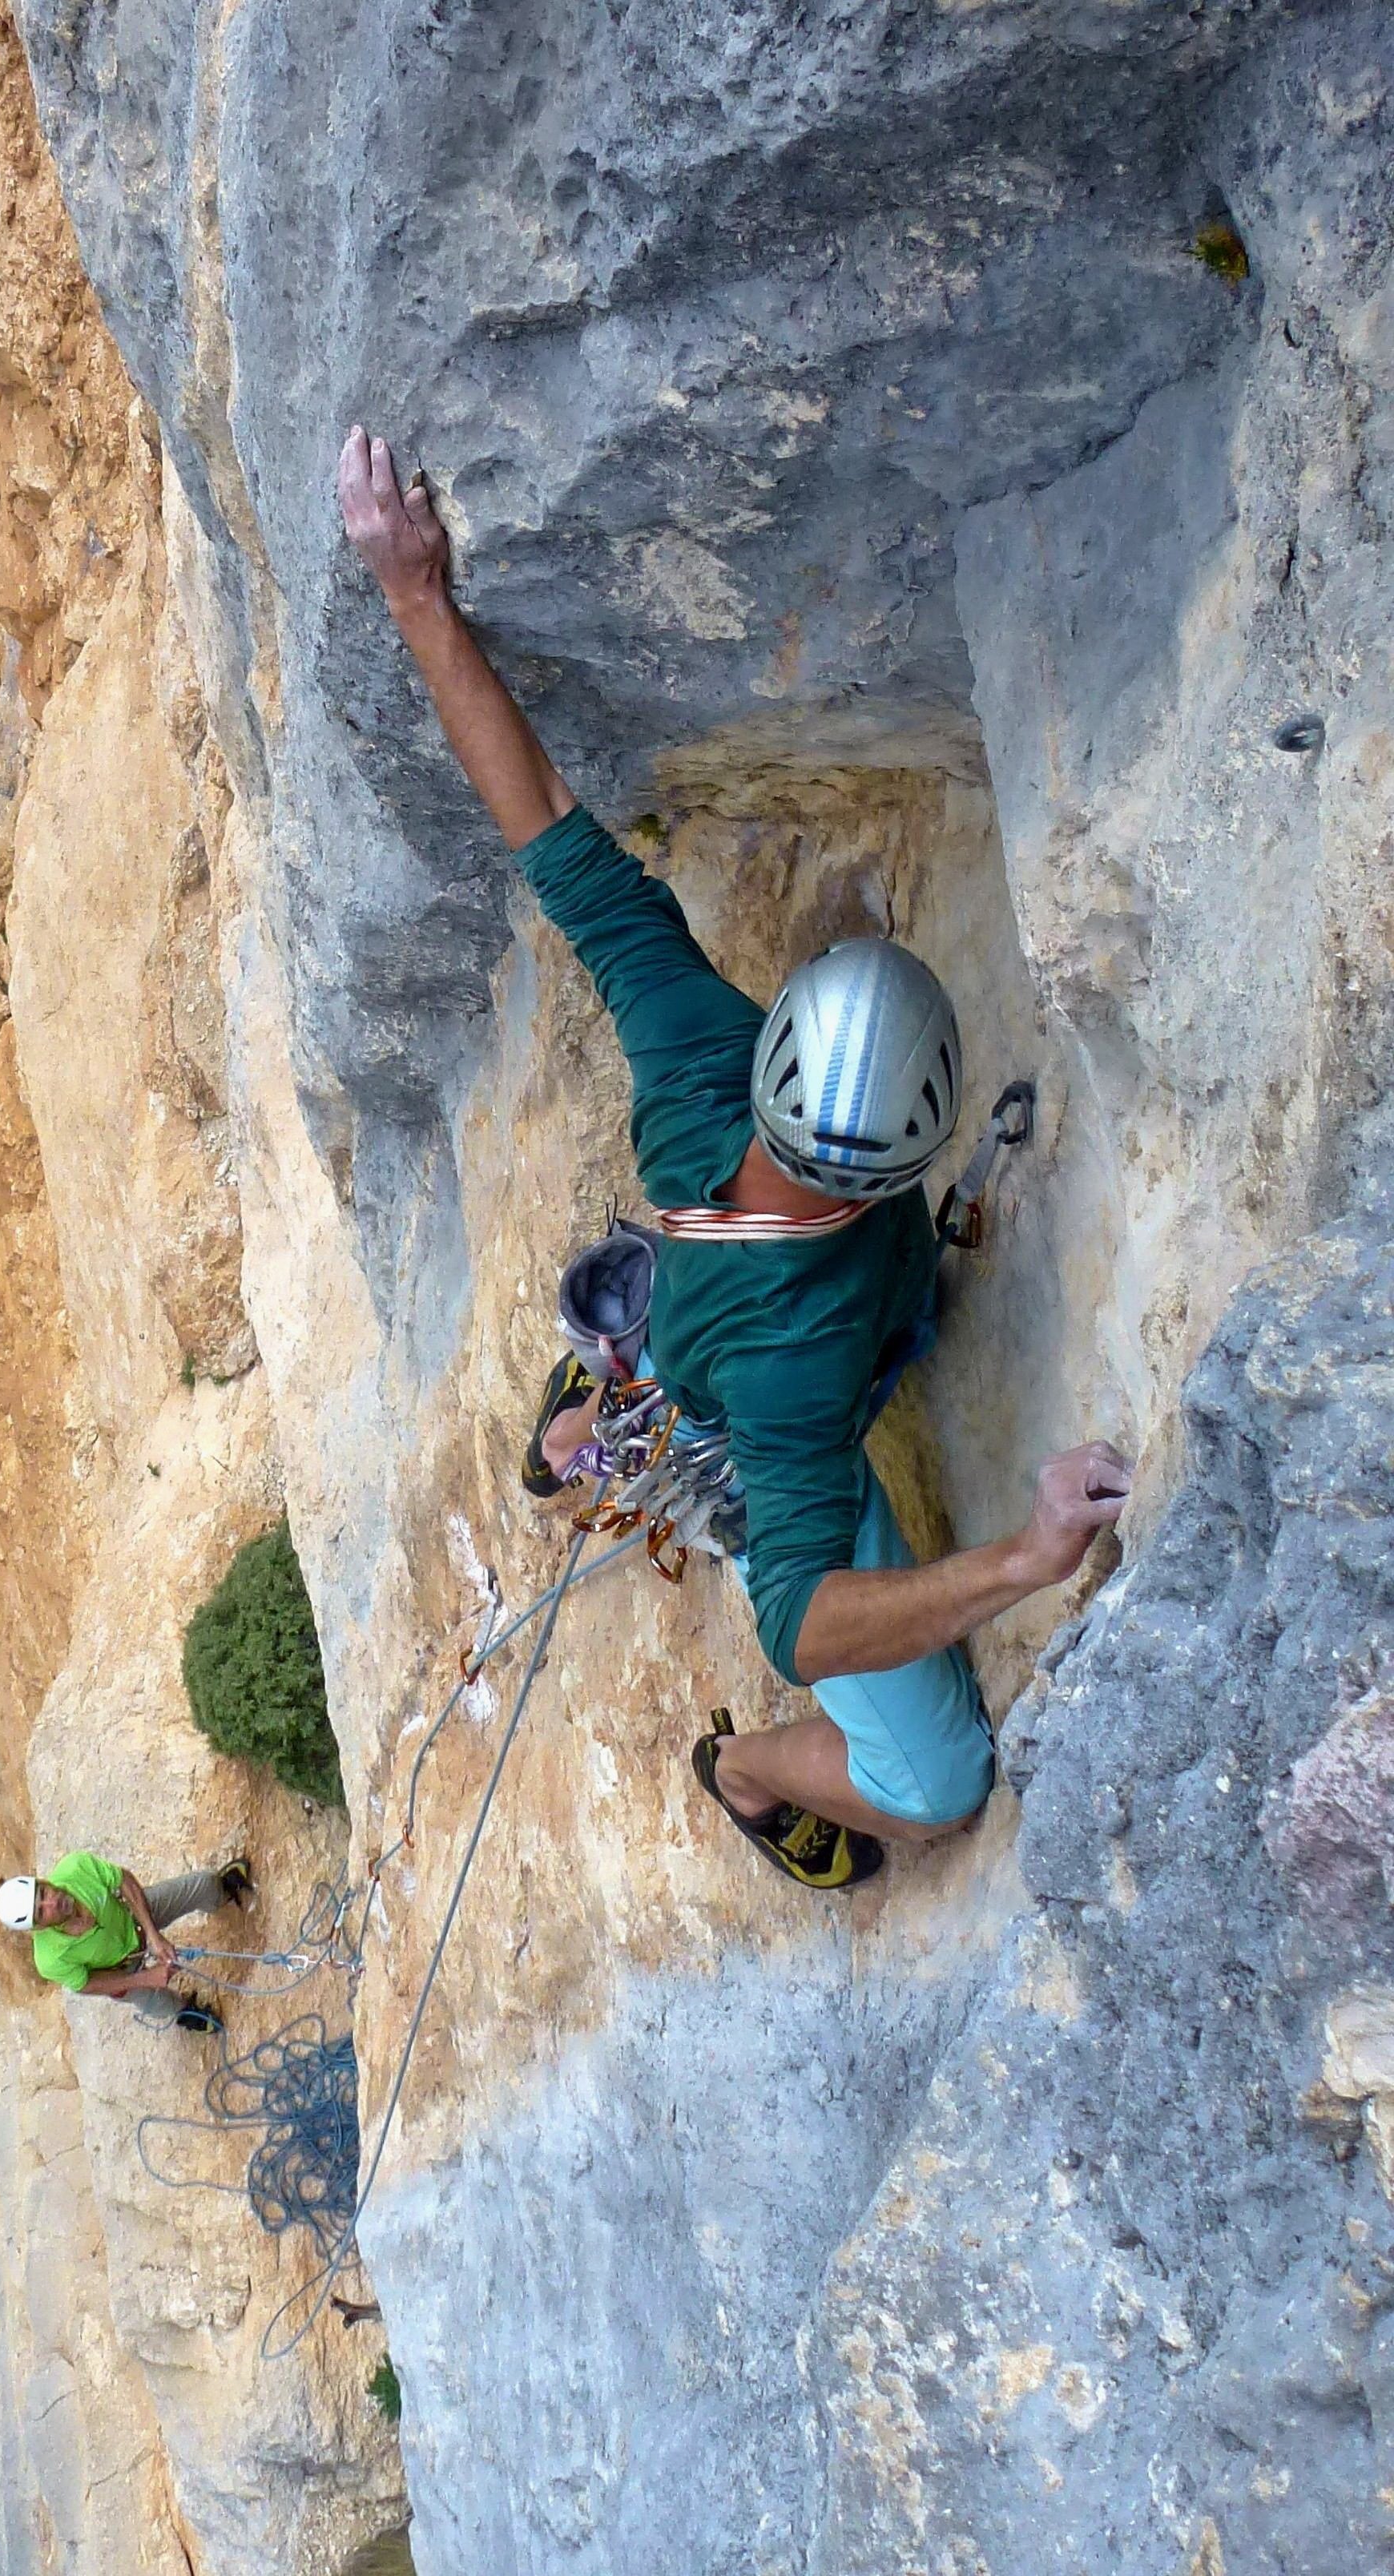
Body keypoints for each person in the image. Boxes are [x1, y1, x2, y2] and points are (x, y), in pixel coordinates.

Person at [338, 425, 1131, 1894]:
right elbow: (804, 1626)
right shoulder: (790, 1386)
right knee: (941, 1782)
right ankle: (747, 1772)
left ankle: (617, 1393)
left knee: (676, 1388)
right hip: (774, 1416)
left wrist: (416, 601)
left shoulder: (703, 1055)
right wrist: (1019, 1564)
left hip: (767, 1328)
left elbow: (555, 847)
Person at [0, 1852, 252, 2027]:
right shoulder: (50, 1960)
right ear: (38, 1927)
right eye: (42, 1910)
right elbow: (87, 1984)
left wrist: (154, 1935)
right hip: (121, 1969)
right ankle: (188, 2011)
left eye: (43, 1892)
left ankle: (222, 1892)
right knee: (163, 2005)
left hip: (134, 1919)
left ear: (42, 1881)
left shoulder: (75, 1868)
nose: (52, 1901)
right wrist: (146, 1979)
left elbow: (124, 1881)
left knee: (204, 1884)